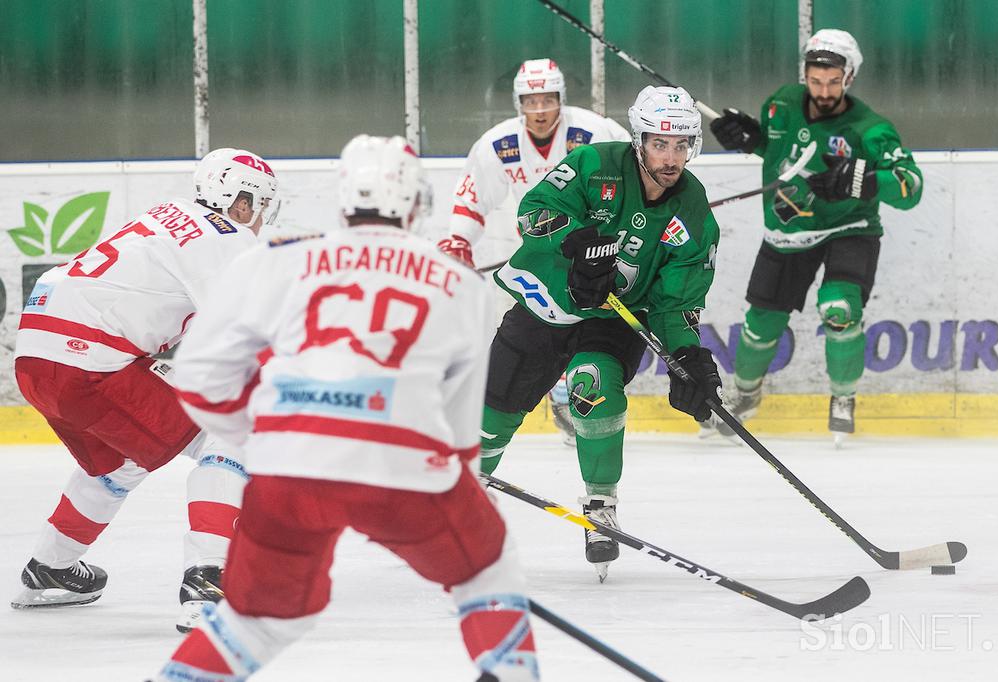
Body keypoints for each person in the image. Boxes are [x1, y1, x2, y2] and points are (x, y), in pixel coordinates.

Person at [151, 136, 539, 682]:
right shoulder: (460, 283)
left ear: (343, 200)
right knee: (488, 575)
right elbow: (458, 427)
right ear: (415, 204)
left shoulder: (275, 257)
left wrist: (264, 439)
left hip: (291, 469)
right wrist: (465, 511)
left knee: (256, 620)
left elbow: (198, 380)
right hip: (403, 471)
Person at [10, 148, 278, 633]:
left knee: (120, 461)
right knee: (230, 435)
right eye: (259, 207)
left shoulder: (166, 215)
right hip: (90, 361)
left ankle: (49, 569)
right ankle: (208, 582)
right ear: (241, 203)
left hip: (34, 357)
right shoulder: (227, 239)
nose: (259, 220)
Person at [476, 85, 724, 581]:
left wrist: (687, 356)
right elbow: (533, 210)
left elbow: (677, 303)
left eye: (681, 145)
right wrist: (575, 239)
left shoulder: (693, 212)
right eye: (660, 143)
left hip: (614, 318)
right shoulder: (595, 163)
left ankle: (600, 504)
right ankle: (462, 493)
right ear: (639, 140)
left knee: (592, 385)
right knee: (493, 409)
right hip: (547, 301)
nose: (671, 157)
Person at [705, 29, 923, 445]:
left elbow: (911, 186)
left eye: (833, 81)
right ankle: (746, 395)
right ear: (804, 74)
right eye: (815, 80)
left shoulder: (870, 129)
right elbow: (782, 152)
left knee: (839, 308)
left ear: (850, 77)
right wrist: (750, 138)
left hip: (850, 228)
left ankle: (843, 398)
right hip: (788, 231)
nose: (823, 90)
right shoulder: (781, 103)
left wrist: (860, 178)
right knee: (760, 326)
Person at [438, 58, 630, 446]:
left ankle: (576, 398)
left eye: (547, 100)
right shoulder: (499, 144)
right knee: (535, 335)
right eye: (530, 101)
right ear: (518, 102)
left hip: (592, 253)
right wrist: (458, 238)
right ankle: (552, 396)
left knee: (589, 330)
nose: (539, 110)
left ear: (561, 98)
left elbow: (634, 173)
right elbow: (471, 197)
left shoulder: (595, 131)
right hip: (538, 257)